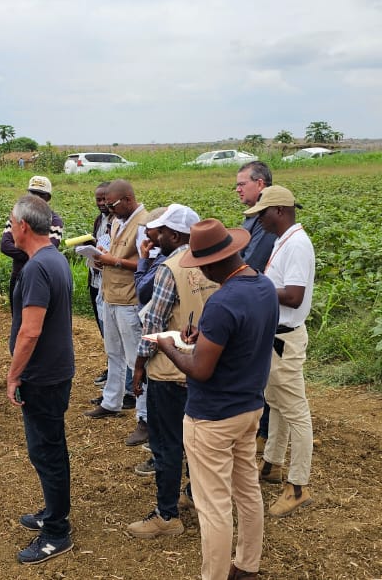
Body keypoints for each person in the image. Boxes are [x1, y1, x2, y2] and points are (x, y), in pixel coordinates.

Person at [153, 218, 277, 580]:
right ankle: (247, 565)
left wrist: (169, 346)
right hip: (249, 407)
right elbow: (240, 341)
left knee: (214, 506)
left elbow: (201, 370)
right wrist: (203, 339)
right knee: (247, 491)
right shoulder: (264, 286)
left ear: (210, 264)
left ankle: (215, 575)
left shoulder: (223, 301)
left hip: (212, 417)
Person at [126, 204, 215, 539]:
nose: (156, 236)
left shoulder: (170, 269)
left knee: (166, 444)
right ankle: (193, 494)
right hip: (205, 367)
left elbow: (154, 323)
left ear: (175, 236)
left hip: (170, 370)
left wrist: (139, 364)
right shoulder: (215, 263)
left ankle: (166, 516)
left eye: (161, 231)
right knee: (198, 442)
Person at [5, 194, 77, 565]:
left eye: (10, 223)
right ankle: (53, 512)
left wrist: (13, 375)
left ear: (23, 226)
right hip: (56, 370)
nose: (8, 229)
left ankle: (56, 532)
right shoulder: (54, 258)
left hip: (42, 375)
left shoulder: (36, 268)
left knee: (46, 452)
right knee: (50, 447)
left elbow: (30, 331)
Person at [244, 186, 316, 517]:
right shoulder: (283, 240)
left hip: (284, 340)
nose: (258, 220)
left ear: (279, 211)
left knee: (295, 411)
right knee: (277, 403)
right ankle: (272, 463)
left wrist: (257, 288)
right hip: (276, 338)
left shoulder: (297, 244)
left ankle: (298, 486)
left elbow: (295, 296)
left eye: (262, 213)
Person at [85, 180, 152, 447]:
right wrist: (102, 256)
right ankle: (111, 401)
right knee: (113, 353)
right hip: (111, 296)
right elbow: (114, 253)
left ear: (127, 199)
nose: (109, 210)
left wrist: (114, 261)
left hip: (129, 300)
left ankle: (145, 418)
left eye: (112, 204)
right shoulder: (117, 221)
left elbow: (148, 264)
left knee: (137, 361)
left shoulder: (144, 224)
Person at [235, 161, 277, 452]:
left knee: (261, 368)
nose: (238, 189)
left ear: (260, 184)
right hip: (250, 296)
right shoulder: (254, 216)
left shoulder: (266, 219)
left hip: (255, 299)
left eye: (242, 184)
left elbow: (252, 262)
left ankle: (264, 432)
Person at [0, 175, 63, 301]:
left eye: (40, 195)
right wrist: (34, 253)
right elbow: (5, 246)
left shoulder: (55, 221)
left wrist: (23, 250)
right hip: (18, 275)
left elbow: (49, 251)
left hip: (40, 276)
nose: (35, 198)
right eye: (32, 193)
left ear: (48, 198)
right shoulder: (16, 216)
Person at [87, 182, 113, 385]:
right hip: (95, 280)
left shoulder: (118, 221)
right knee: (103, 328)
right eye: (98, 199)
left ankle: (116, 371)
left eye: (105, 199)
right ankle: (111, 366)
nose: (102, 203)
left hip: (110, 282)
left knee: (113, 331)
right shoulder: (99, 220)